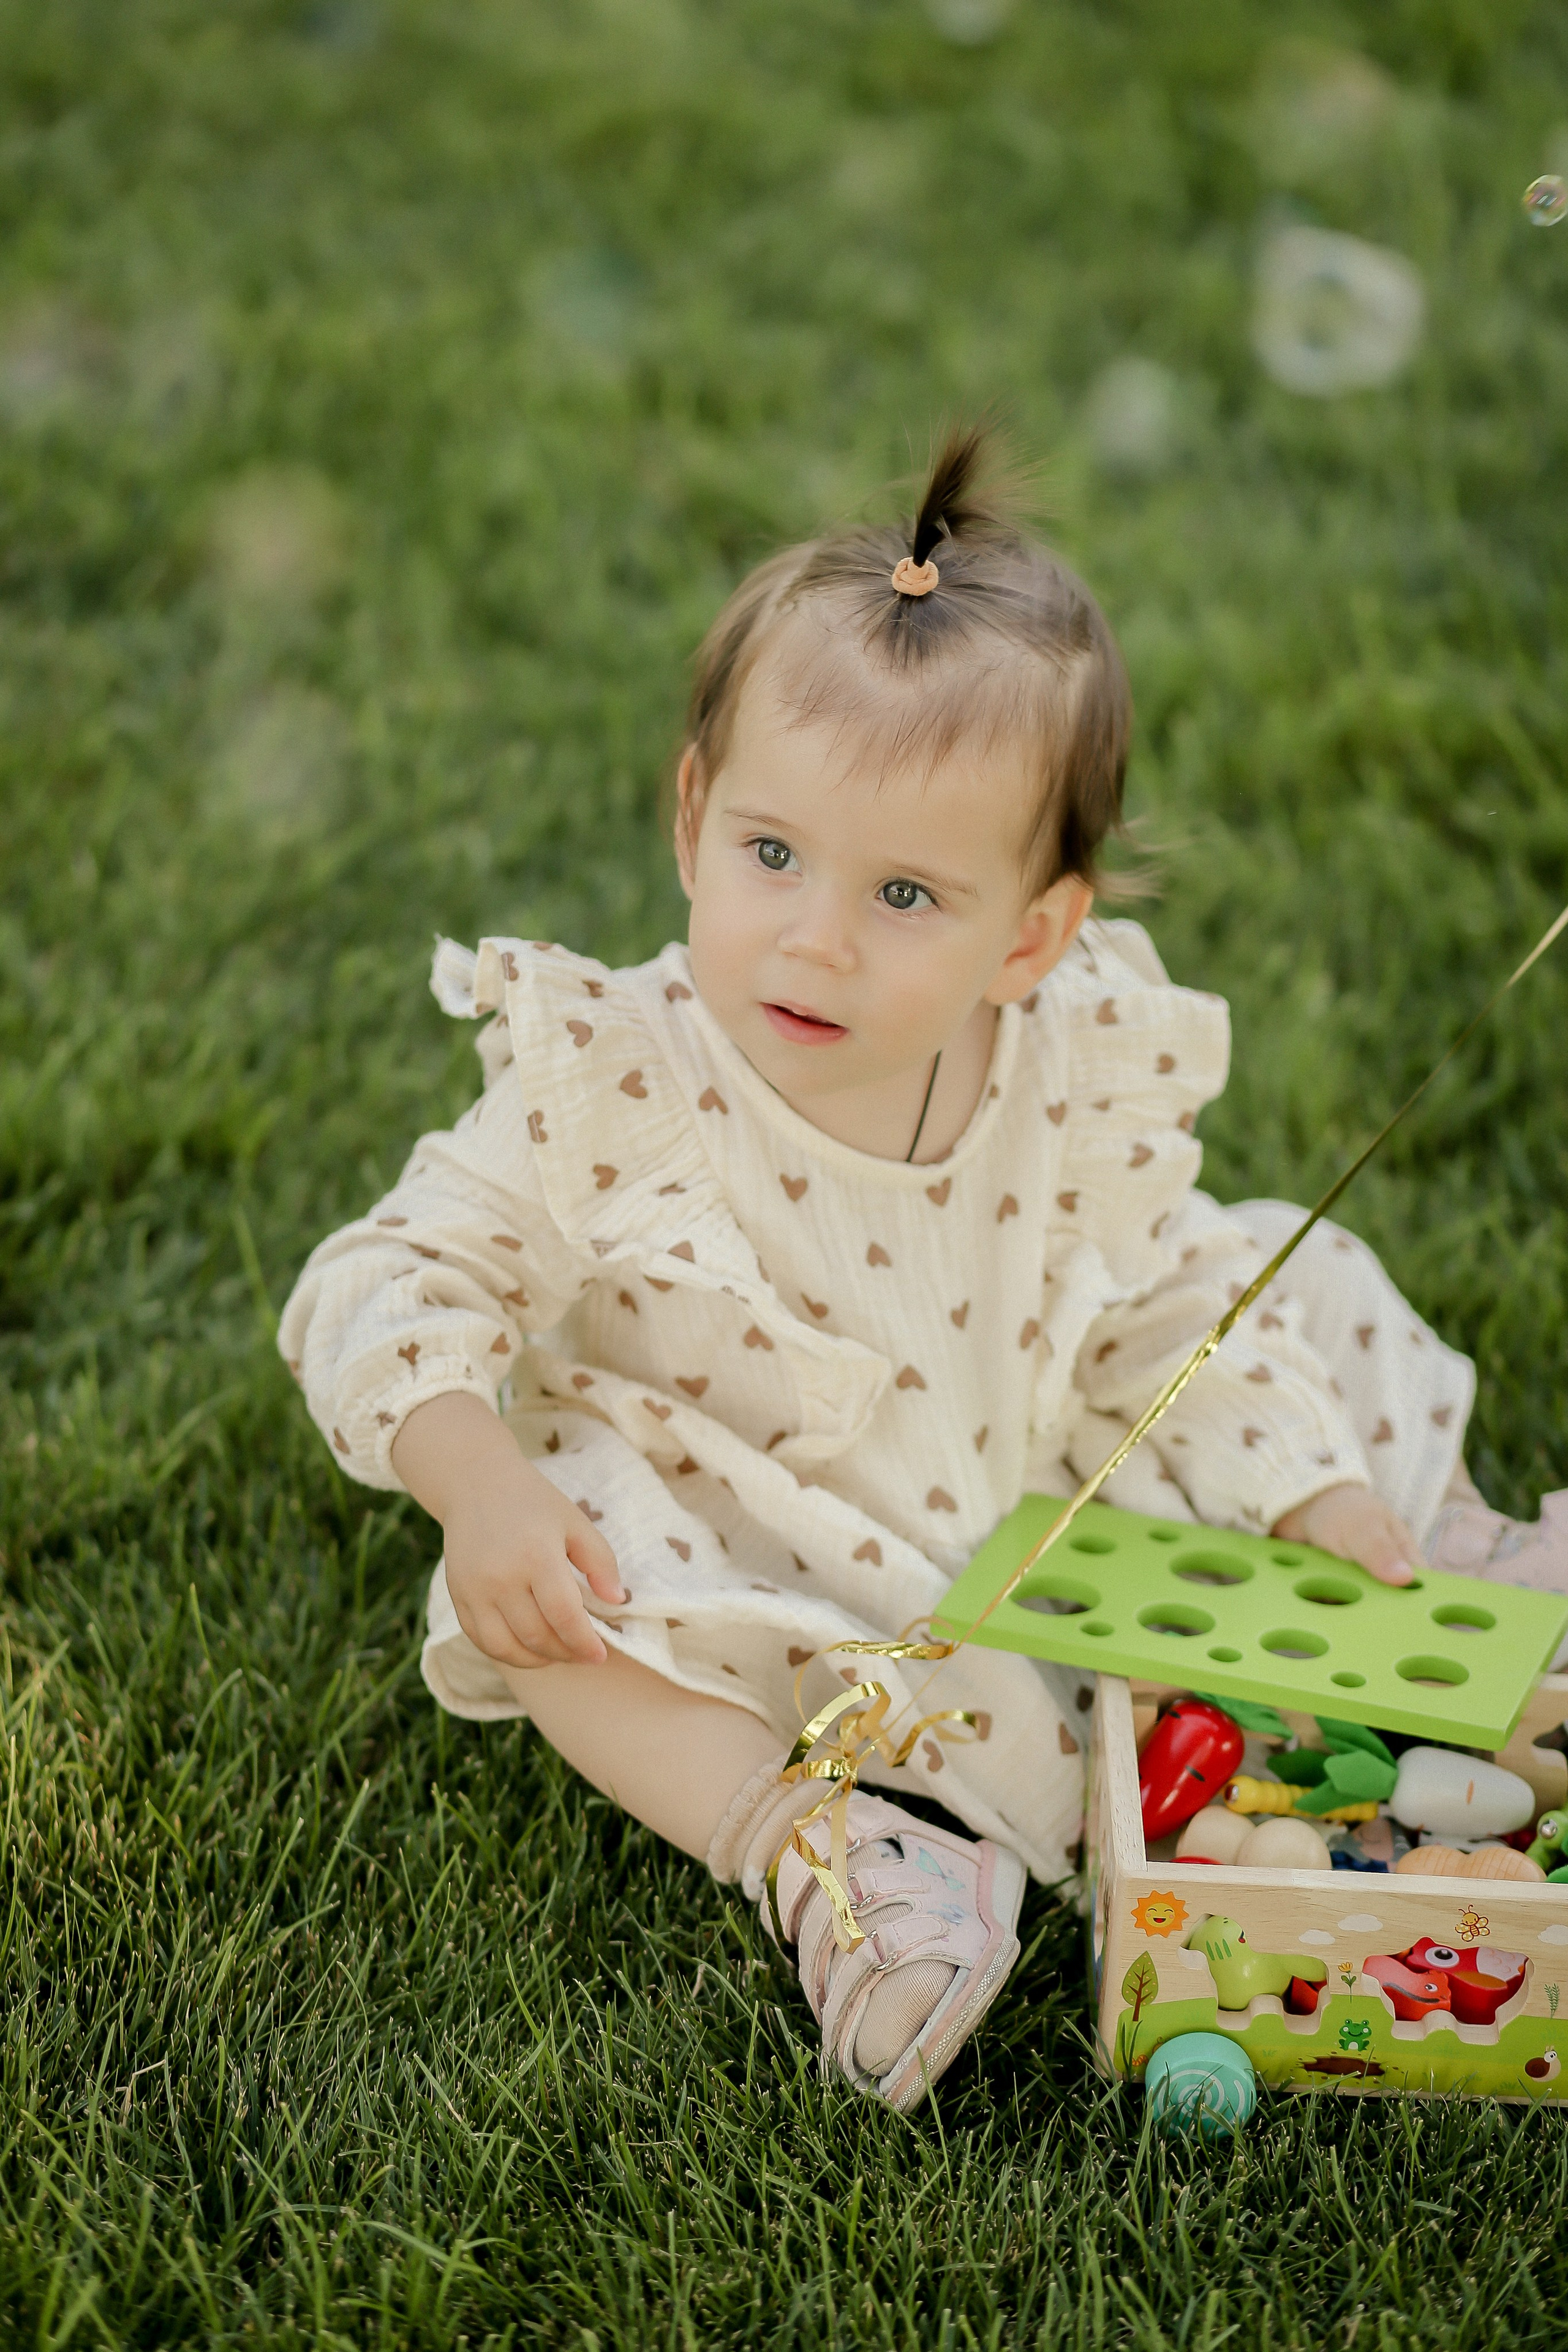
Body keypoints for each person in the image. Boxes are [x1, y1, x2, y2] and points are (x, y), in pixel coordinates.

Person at [279, 427, 1566, 2113]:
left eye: (903, 892)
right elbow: (383, 1280)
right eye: (772, 855)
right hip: (770, 1519)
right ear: (692, 818)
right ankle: (824, 1846)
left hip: (1032, 1446)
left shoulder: (1057, 1057)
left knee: (1268, 1274)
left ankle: (1437, 1564)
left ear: (1028, 938)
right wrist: (482, 1489)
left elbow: (1161, 1291)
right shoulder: (621, 1085)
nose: (815, 936)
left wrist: (1315, 1486)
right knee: (552, 1611)